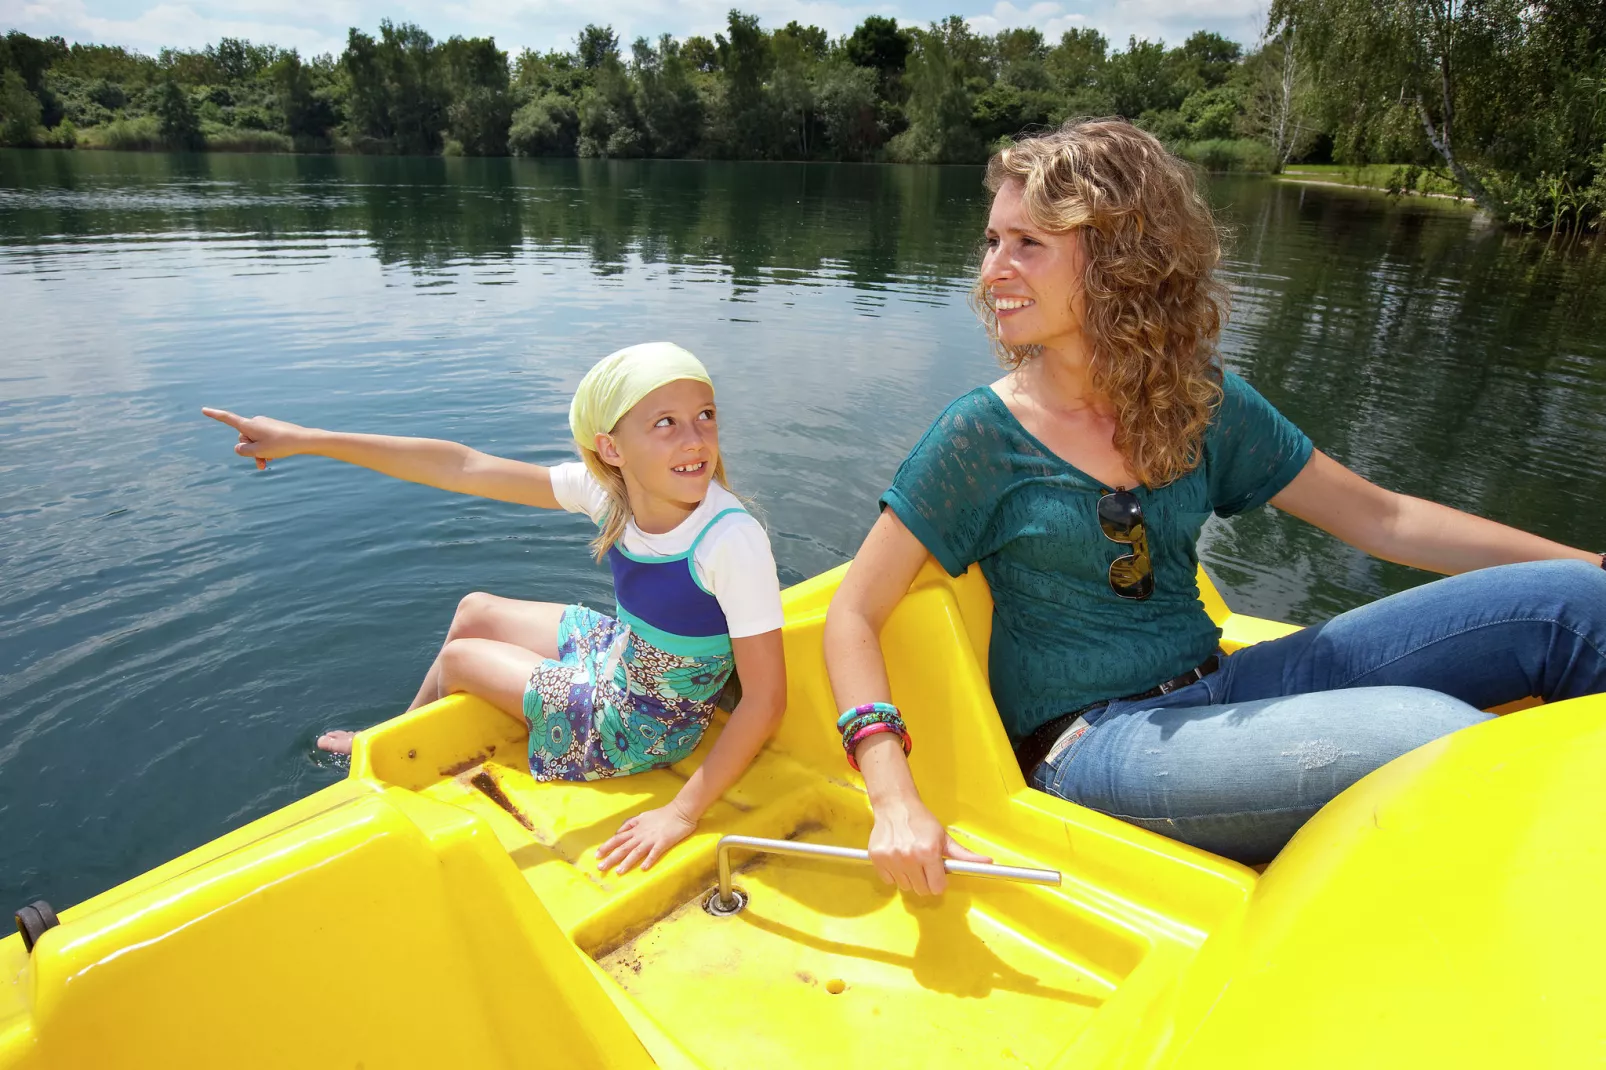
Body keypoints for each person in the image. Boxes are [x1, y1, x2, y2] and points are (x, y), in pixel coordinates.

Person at [822, 119, 1606, 890]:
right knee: (1441, 740)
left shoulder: (1196, 402)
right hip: (1097, 745)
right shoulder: (979, 438)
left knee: (1576, 606)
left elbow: (1382, 519)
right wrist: (894, 800)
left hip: (1220, 681)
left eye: (1028, 243)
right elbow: (853, 614)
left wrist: (1591, 560)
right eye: (993, 241)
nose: (993, 269)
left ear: (1119, 257)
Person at [204, 342, 787, 875]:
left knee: (460, 659)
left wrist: (680, 816)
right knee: (474, 609)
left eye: (705, 415)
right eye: (665, 422)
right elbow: (464, 466)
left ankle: (384, 760)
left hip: (642, 726)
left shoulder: (728, 539)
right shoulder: (611, 493)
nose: (695, 440)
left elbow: (766, 698)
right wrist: (305, 439)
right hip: (623, 656)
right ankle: (396, 733)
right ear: (612, 448)